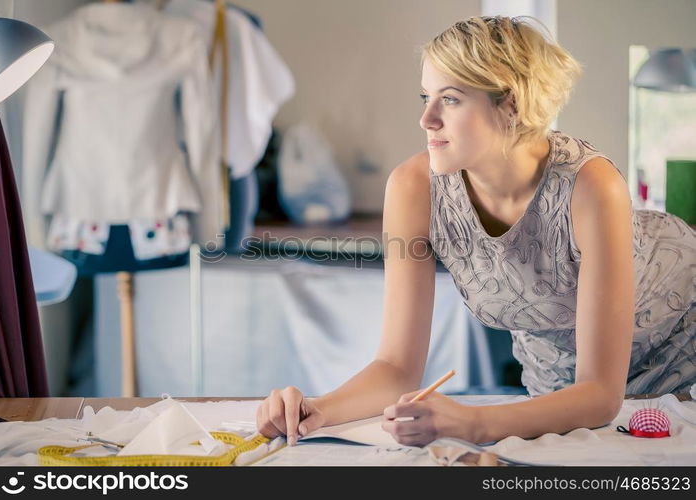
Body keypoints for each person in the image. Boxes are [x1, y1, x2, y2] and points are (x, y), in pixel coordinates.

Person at [255, 15, 696, 447]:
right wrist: (319, 410)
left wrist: (472, 422)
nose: (427, 118)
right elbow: (395, 365)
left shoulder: (592, 186)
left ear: (512, 104)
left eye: (450, 99)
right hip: (561, 388)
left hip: (682, 347)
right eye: (425, 97)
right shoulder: (412, 188)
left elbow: (601, 394)